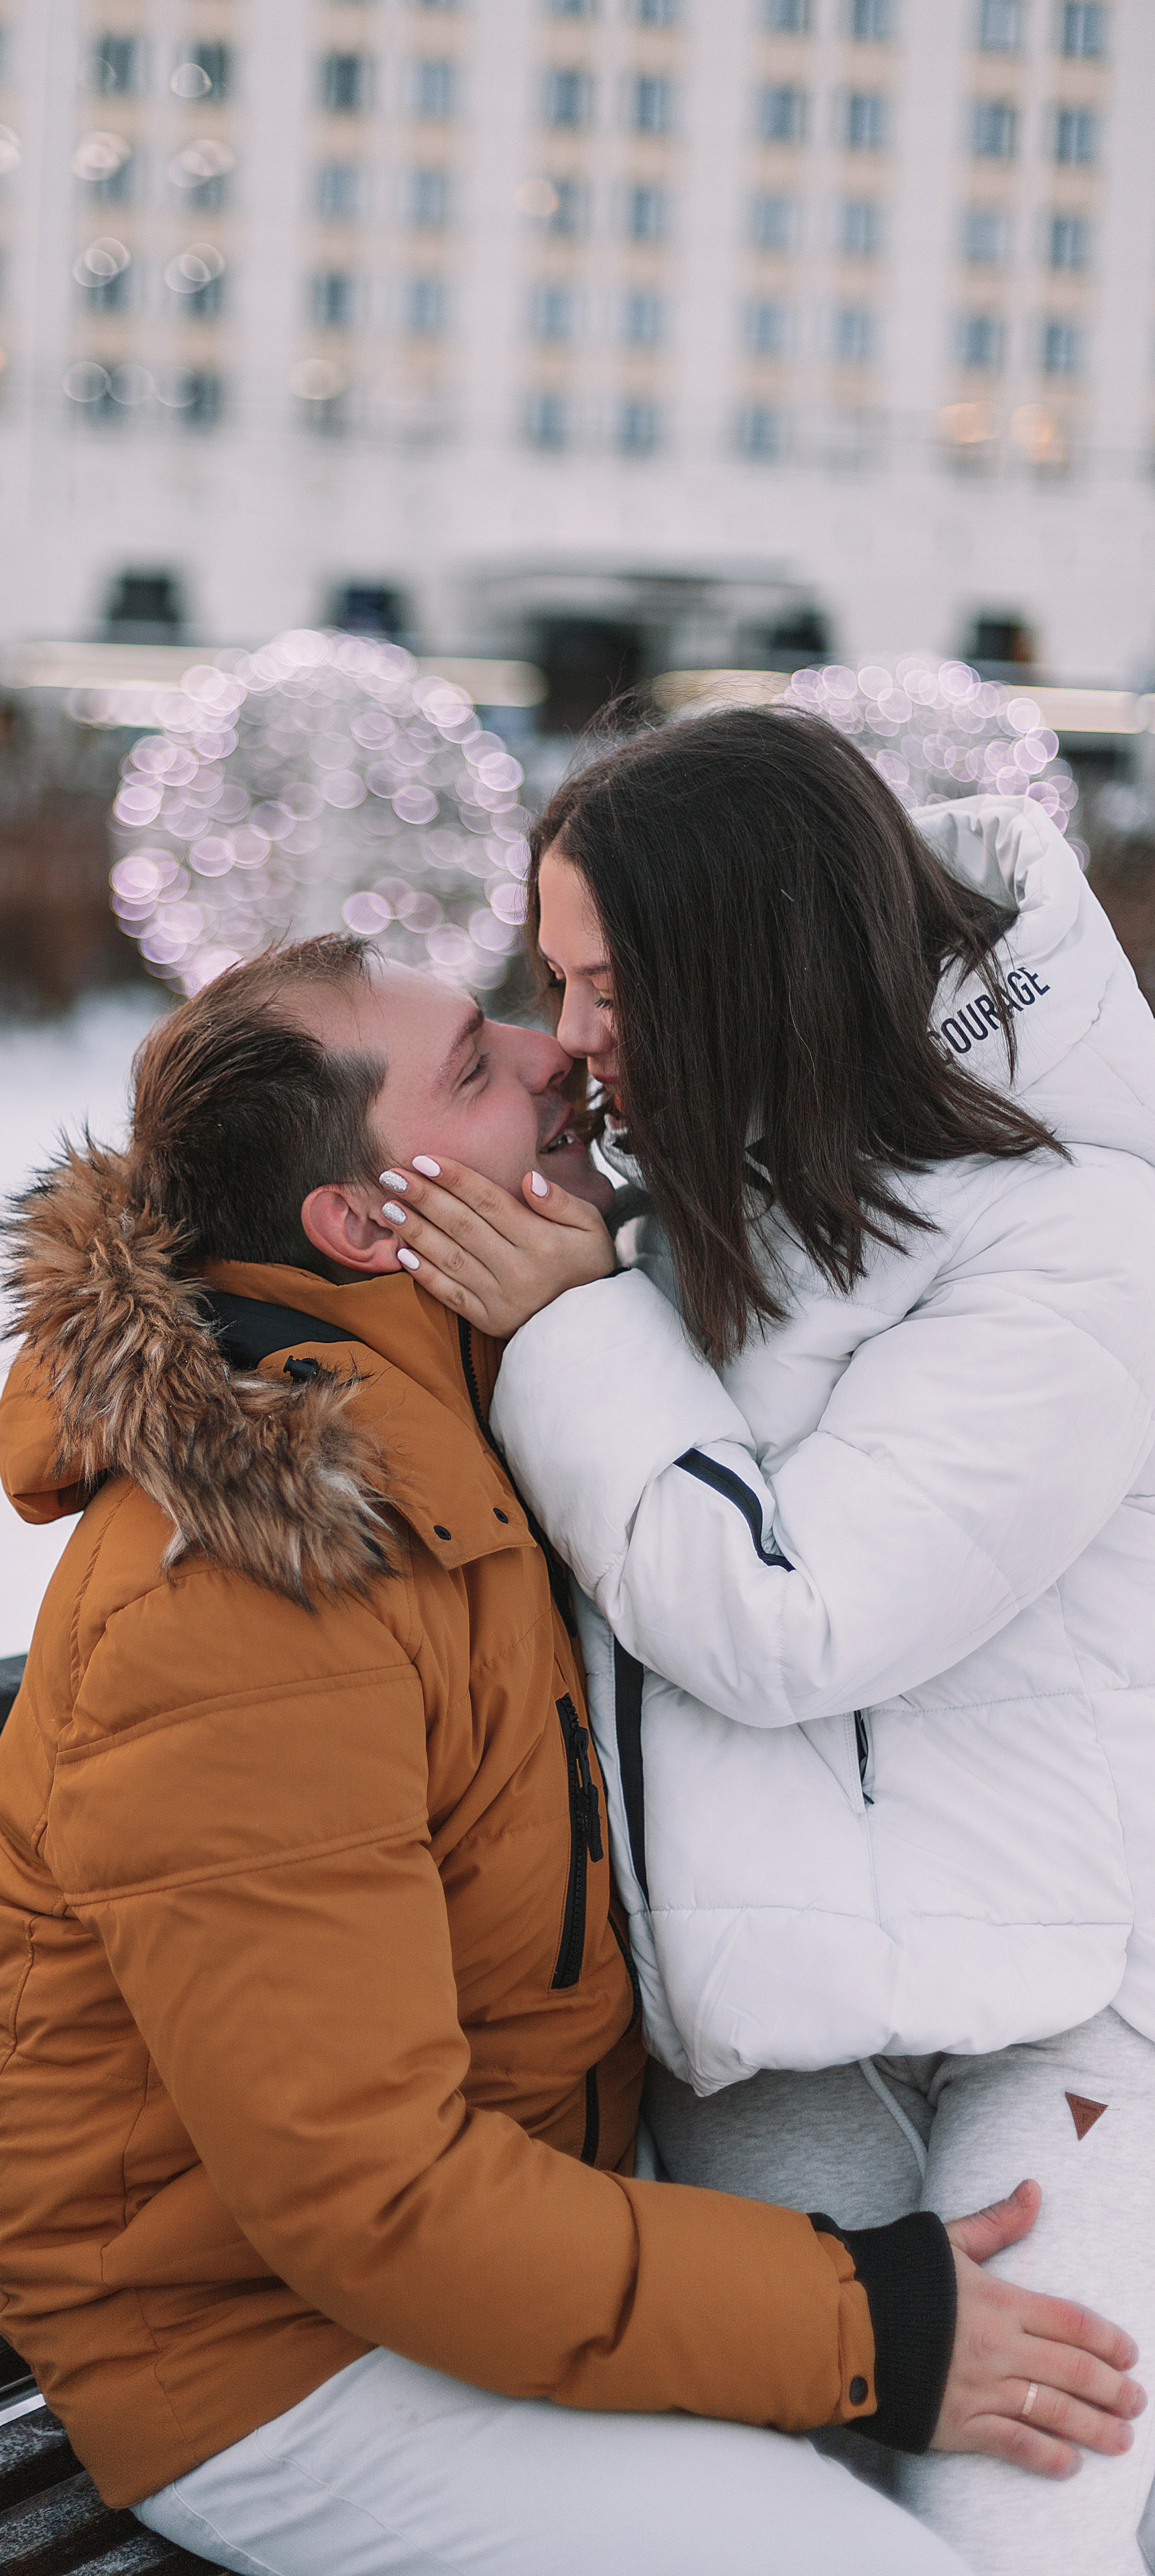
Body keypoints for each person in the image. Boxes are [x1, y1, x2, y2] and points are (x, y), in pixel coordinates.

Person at [0, 930, 1142, 2576]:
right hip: (270, 2361)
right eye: (473, 1065)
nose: (549, 1054)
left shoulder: (454, 1413)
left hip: (487, 2261)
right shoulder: (245, 1596)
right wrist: (868, 2328)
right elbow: (369, 2202)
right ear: (367, 1224)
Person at [370, 711, 1155, 2573]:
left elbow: (795, 1620)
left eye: (608, 985)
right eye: (551, 984)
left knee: (1011, 2518)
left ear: (746, 961)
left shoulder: (1077, 1241)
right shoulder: (692, 1187)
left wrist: (571, 1333)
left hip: (1053, 2010)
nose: (571, 1039)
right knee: (791, 2524)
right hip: (769, 2032)